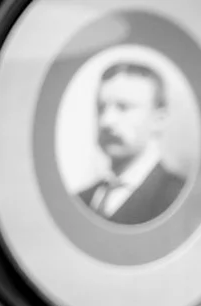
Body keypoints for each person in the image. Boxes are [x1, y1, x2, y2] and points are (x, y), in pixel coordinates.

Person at [77, 60, 185, 226]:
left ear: (159, 119)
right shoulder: (80, 201)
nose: (106, 121)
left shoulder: (178, 198)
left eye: (124, 107)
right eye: (101, 108)